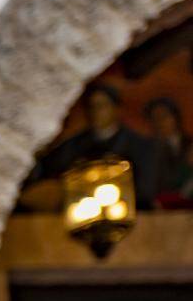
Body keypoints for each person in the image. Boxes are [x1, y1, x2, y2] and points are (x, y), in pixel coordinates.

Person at [30, 83, 162, 209]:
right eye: (92, 106)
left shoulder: (141, 146)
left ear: (116, 109)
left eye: (102, 106)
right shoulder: (72, 146)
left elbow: (146, 191)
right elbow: (53, 174)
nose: (96, 112)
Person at [144, 97, 193, 207]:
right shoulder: (147, 149)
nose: (159, 122)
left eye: (164, 116)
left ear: (175, 117)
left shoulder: (189, 144)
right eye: (154, 118)